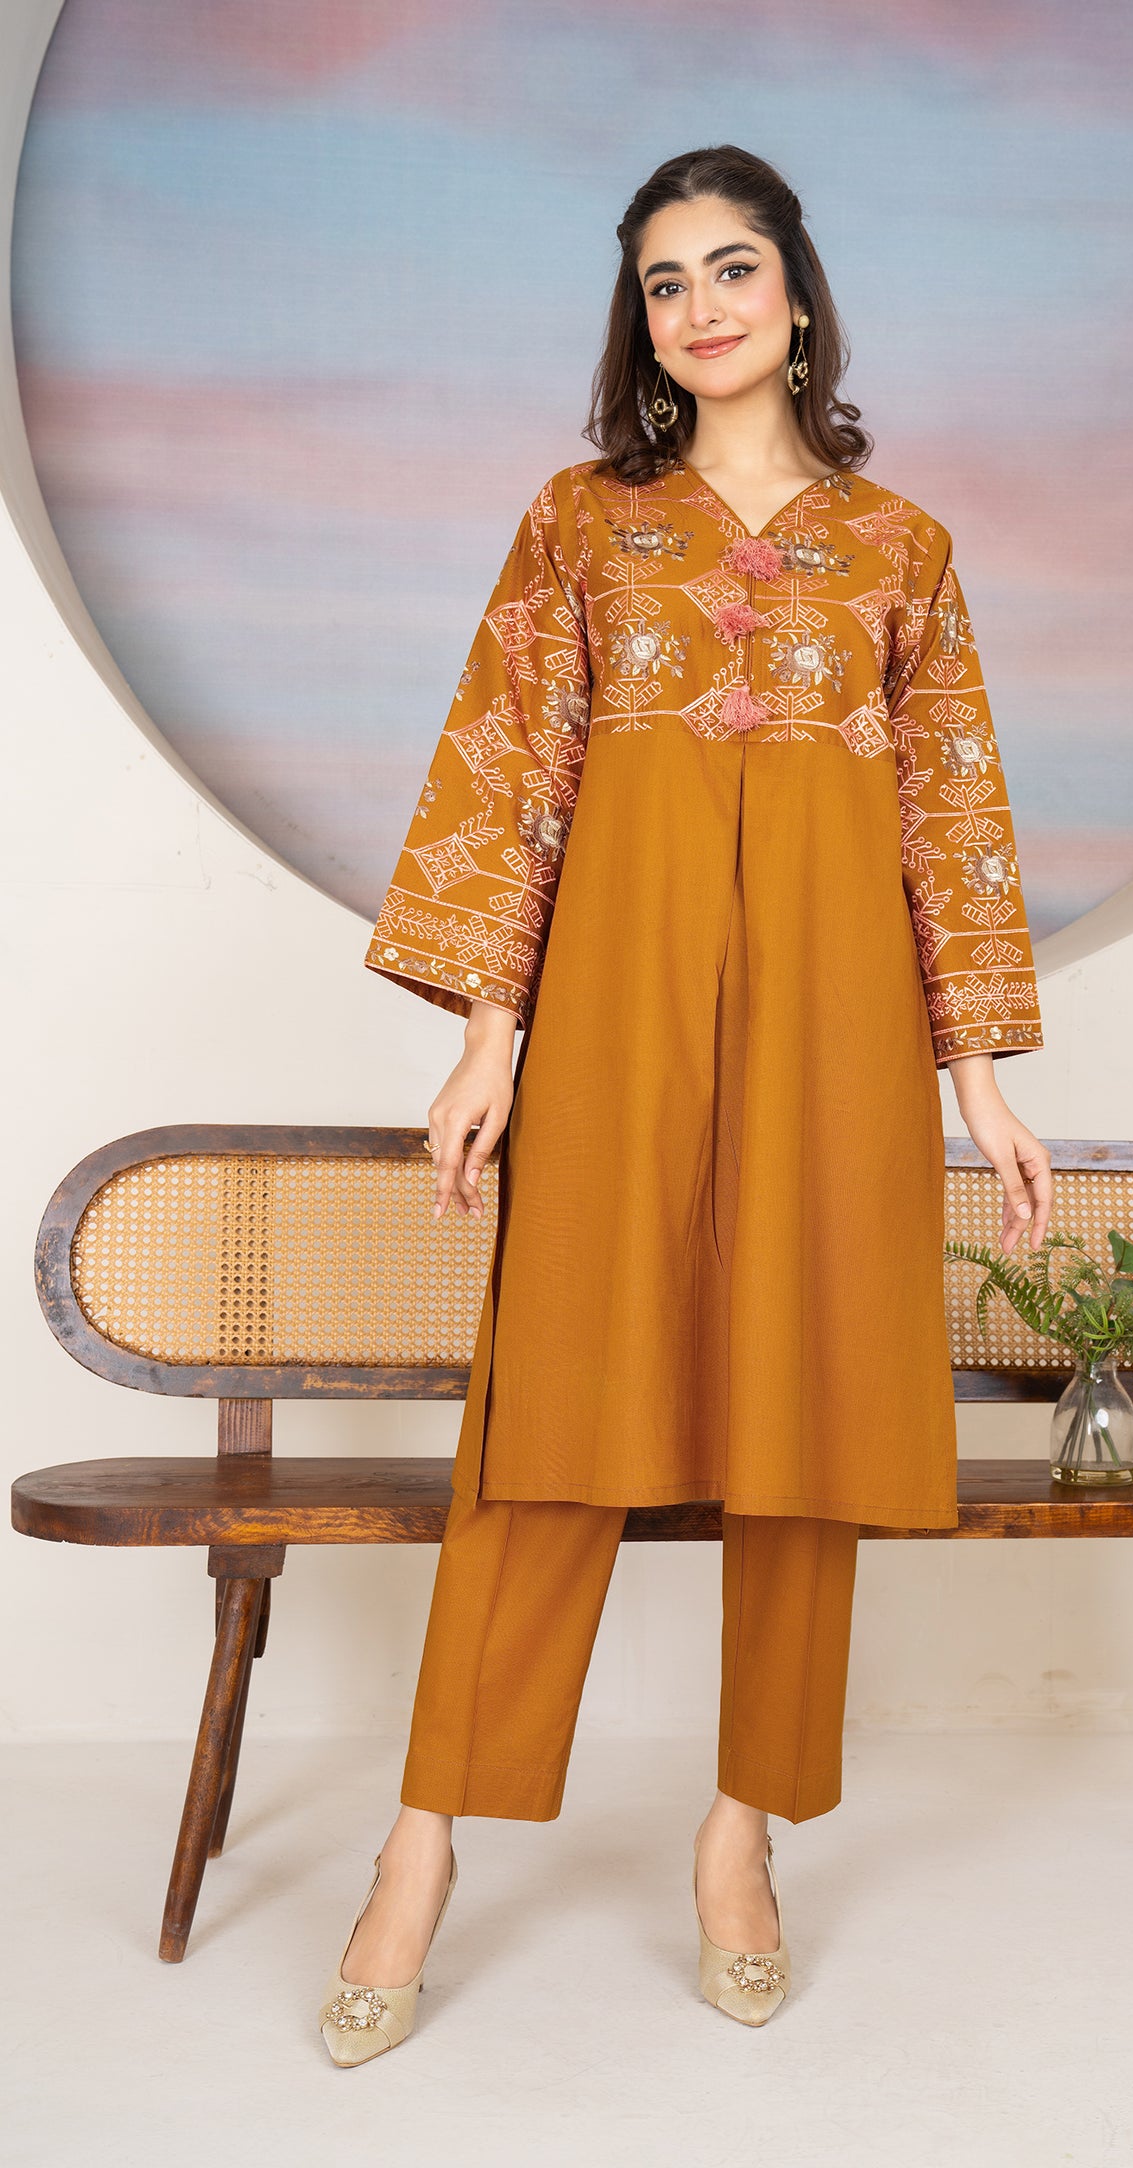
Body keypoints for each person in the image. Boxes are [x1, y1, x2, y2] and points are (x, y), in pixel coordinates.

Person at [317, 143, 1051, 2065]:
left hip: (835, 1025)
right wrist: (487, 1040)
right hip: (617, 1007)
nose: (701, 306)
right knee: (553, 1414)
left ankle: (741, 1837)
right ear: (638, 322)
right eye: (665, 281)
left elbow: (949, 818)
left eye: (732, 268)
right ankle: (420, 1845)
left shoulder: (901, 549)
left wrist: (977, 1083)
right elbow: (513, 776)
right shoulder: (581, 523)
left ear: (796, 294)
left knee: (806, 1415)